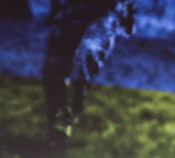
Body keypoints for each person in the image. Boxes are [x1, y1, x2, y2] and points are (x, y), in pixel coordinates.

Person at [42, 0, 136, 141]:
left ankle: (61, 121)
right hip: (92, 22)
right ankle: (62, 121)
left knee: (67, 71)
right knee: (73, 73)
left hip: (90, 21)